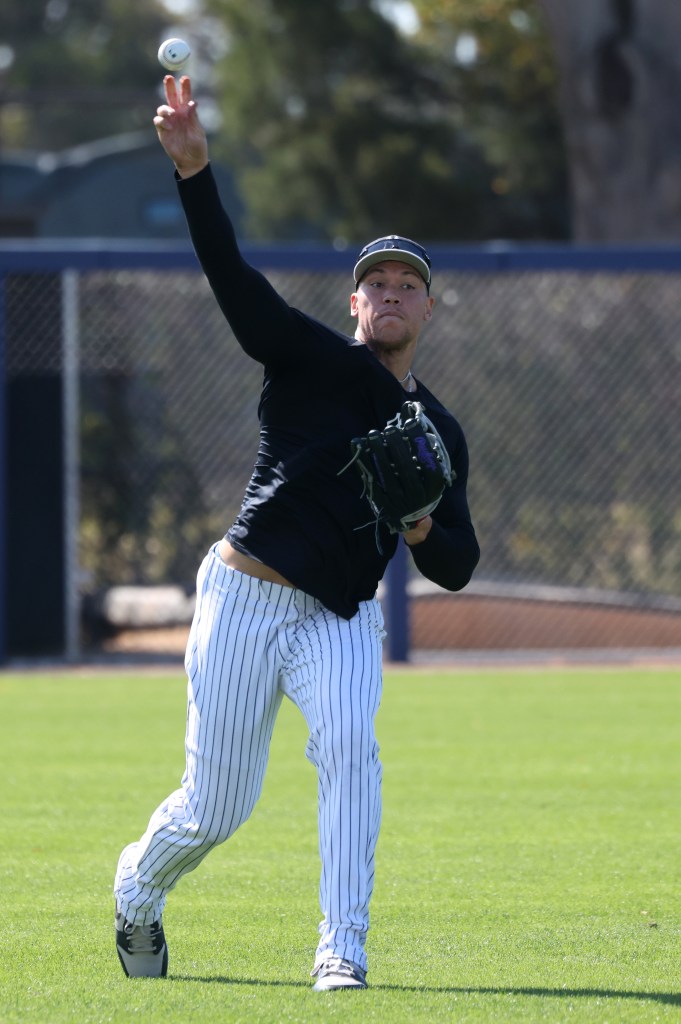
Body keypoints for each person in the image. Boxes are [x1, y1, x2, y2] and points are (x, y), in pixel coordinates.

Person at [114, 74, 480, 992]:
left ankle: (341, 948)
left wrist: (423, 518)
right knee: (213, 809)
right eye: (375, 285)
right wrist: (196, 175)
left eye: (407, 285)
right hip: (245, 593)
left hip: (340, 617)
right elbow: (234, 284)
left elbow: (458, 566)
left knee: (351, 751)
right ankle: (137, 890)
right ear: (355, 307)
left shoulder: (438, 433)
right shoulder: (308, 357)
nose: (390, 294)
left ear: (426, 311)